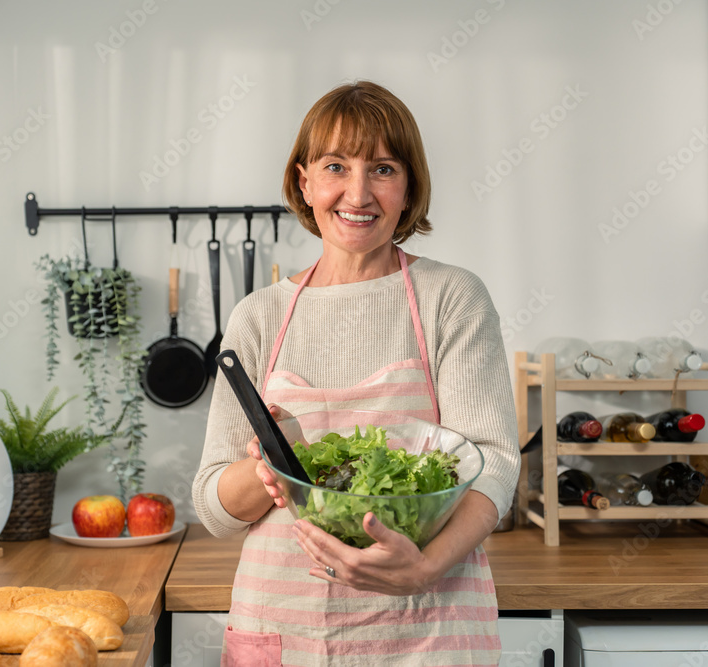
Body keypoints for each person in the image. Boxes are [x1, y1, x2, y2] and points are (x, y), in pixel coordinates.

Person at [192, 80, 519, 667]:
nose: (358, 192)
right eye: (336, 165)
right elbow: (215, 507)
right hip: (284, 628)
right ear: (305, 181)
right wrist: (268, 459)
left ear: (409, 186)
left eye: (384, 168)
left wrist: (424, 566)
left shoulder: (453, 297)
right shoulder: (259, 316)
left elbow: (491, 461)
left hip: (427, 627)